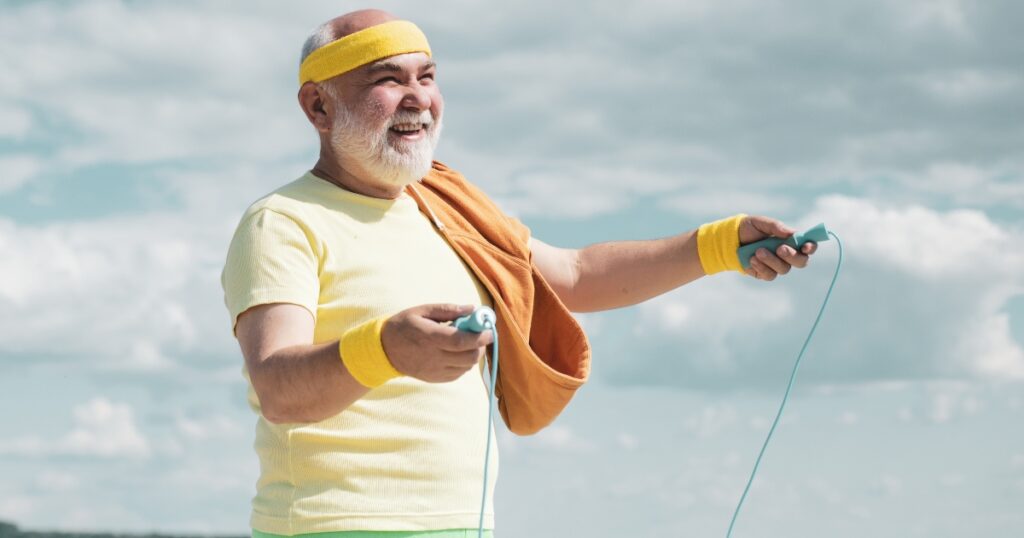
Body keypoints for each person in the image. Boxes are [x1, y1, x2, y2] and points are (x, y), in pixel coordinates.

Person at [220, 9, 818, 538]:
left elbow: (576, 276)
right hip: (333, 527)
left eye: (426, 77)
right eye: (387, 80)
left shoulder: (447, 205)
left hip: (465, 523)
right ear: (317, 105)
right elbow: (277, 387)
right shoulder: (284, 221)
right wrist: (388, 349)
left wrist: (718, 245)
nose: (417, 98)